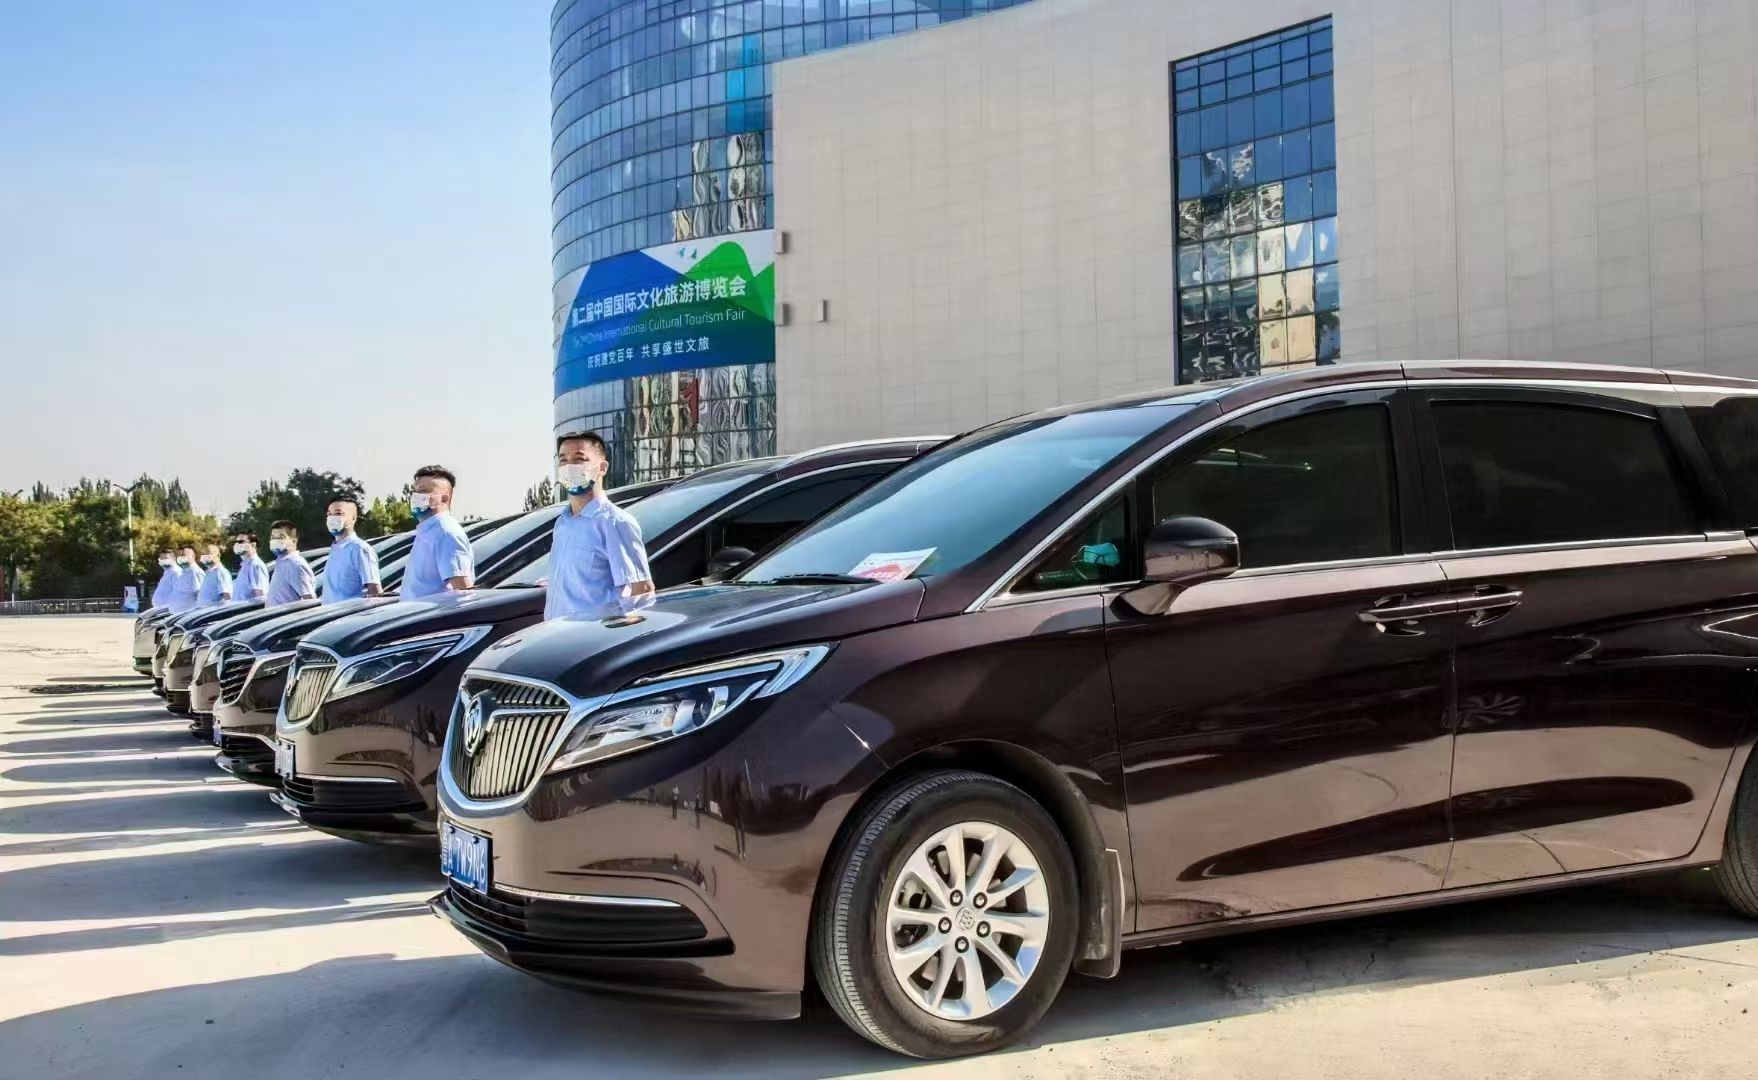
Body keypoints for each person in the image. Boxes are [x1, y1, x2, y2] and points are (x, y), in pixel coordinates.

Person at [544, 430, 655, 621]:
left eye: (579, 459)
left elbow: (641, 591)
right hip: (553, 633)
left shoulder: (614, 522)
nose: (569, 467)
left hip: (592, 636)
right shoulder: (563, 523)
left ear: (602, 468)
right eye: (563, 460)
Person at [400, 465, 473, 601]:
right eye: (415, 492)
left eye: (424, 492)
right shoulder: (428, 531)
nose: (416, 497)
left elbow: (463, 592)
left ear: (444, 499)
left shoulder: (446, 533)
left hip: (434, 615)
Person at [320, 496, 382, 604]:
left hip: (349, 613)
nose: (332, 518)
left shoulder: (360, 549)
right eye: (329, 514)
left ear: (353, 518)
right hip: (330, 613)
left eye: (338, 513)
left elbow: (375, 590)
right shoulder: (335, 549)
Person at [264, 520, 316, 607]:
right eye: (273, 537)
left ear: (294, 541)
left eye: (281, 537)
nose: (275, 541)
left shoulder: (295, 564)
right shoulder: (282, 563)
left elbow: (310, 600)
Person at [166, 545, 204, 614]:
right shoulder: (183, 572)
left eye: (183, 555)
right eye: (179, 556)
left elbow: (201, 595)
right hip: (178, 614)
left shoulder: (195, 572)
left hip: (188, 614)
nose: (180, 558)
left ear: (193, 556)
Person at [232, 532, 269, 602]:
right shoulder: (246, 566)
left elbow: (261, 598)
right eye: (235, 542)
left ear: (253, 545)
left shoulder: (256, 565)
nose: (237, 545)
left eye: (241, 542)